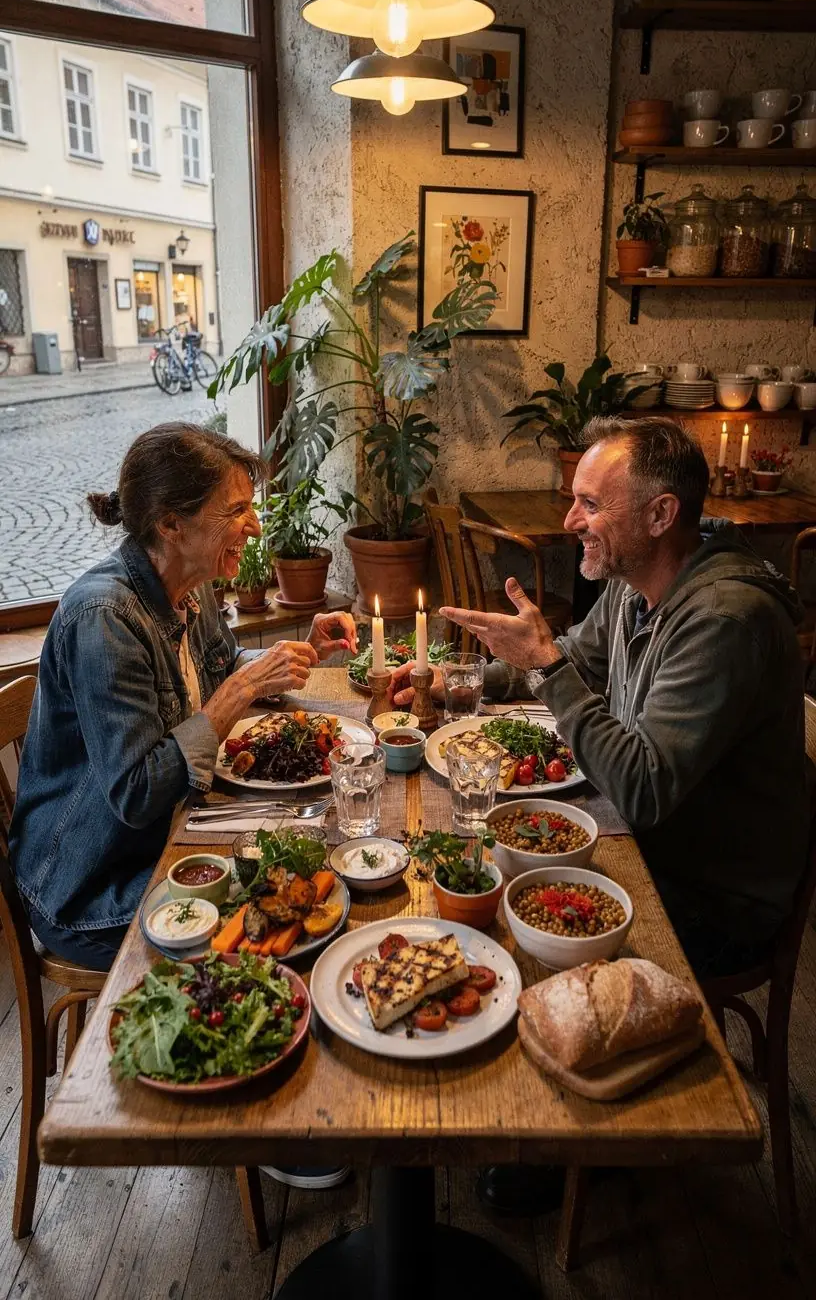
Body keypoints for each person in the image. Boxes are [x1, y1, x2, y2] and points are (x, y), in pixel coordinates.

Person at [389, 416, 809, 981]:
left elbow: (640, 788)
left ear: (660, 515)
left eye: (590, 503)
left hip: (709, 894)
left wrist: (545, 661)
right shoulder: (634, 584)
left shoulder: (724, 620)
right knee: (468, 864)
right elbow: (576, 658)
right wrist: (460, 681)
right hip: (651, 838)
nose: (570, 521)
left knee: (490, 928)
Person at [9, 422, 357, 972]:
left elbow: (221, 671)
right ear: (171, 523)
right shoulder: (105, 618)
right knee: (283, 922)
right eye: (236, 509)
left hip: (171, 836)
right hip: (92, 882)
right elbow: (137, 794)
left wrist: (291, 656)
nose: (254, 524)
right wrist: (239, 691)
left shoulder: (191, 584)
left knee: (312, 879)